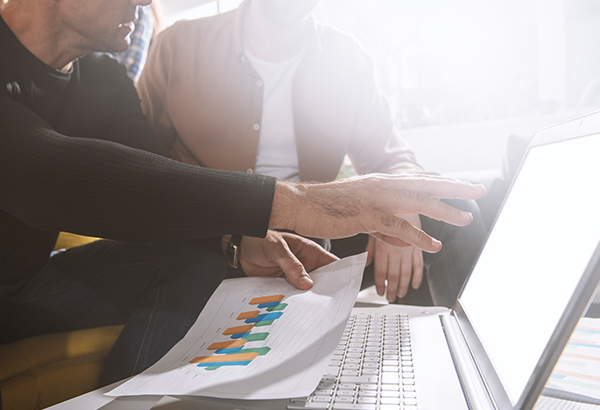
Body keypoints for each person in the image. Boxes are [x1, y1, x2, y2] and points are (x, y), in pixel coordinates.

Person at [0, 0, 485, 394]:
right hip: (261, 212)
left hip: (34, 281)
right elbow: (45, 173)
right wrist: (293, 205)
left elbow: (151, 173)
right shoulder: (178, 47)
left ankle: (447, 379)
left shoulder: (104, 79)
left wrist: (236, 232)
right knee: (194, 246)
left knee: (447, 213)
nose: (147, 2)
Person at [137, 0, 488, 304]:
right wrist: (225, 231)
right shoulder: (177, 46)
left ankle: (441, 356)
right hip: (213, 239)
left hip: (314, 233)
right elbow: (140, 162)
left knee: (445, 214)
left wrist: (404, 205)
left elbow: (389, 155)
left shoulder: (347, 58)